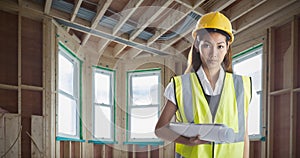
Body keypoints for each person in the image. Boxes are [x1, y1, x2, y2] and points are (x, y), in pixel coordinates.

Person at [155, 11, 252, 158]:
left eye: (220, 46)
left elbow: (244, 135)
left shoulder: (243, 85)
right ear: (197, 46)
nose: (214, 53)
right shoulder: (179, 86)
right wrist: (187, 142)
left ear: (227, 48)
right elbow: (160, 129)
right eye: (207, 45)